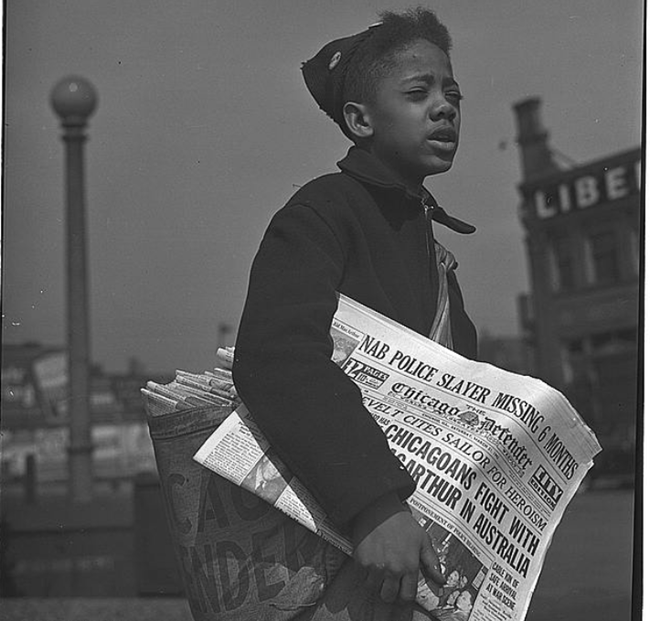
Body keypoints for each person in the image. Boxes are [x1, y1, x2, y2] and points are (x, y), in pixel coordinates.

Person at [233, 7, 477, 619]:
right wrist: (375, 506)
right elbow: (277, 360)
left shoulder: (432, 248)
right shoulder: (321, 212)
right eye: (419, 91)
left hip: (418, 551)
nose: (444, 106)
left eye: (452, 93)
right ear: (359, 120)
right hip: (353, 543)